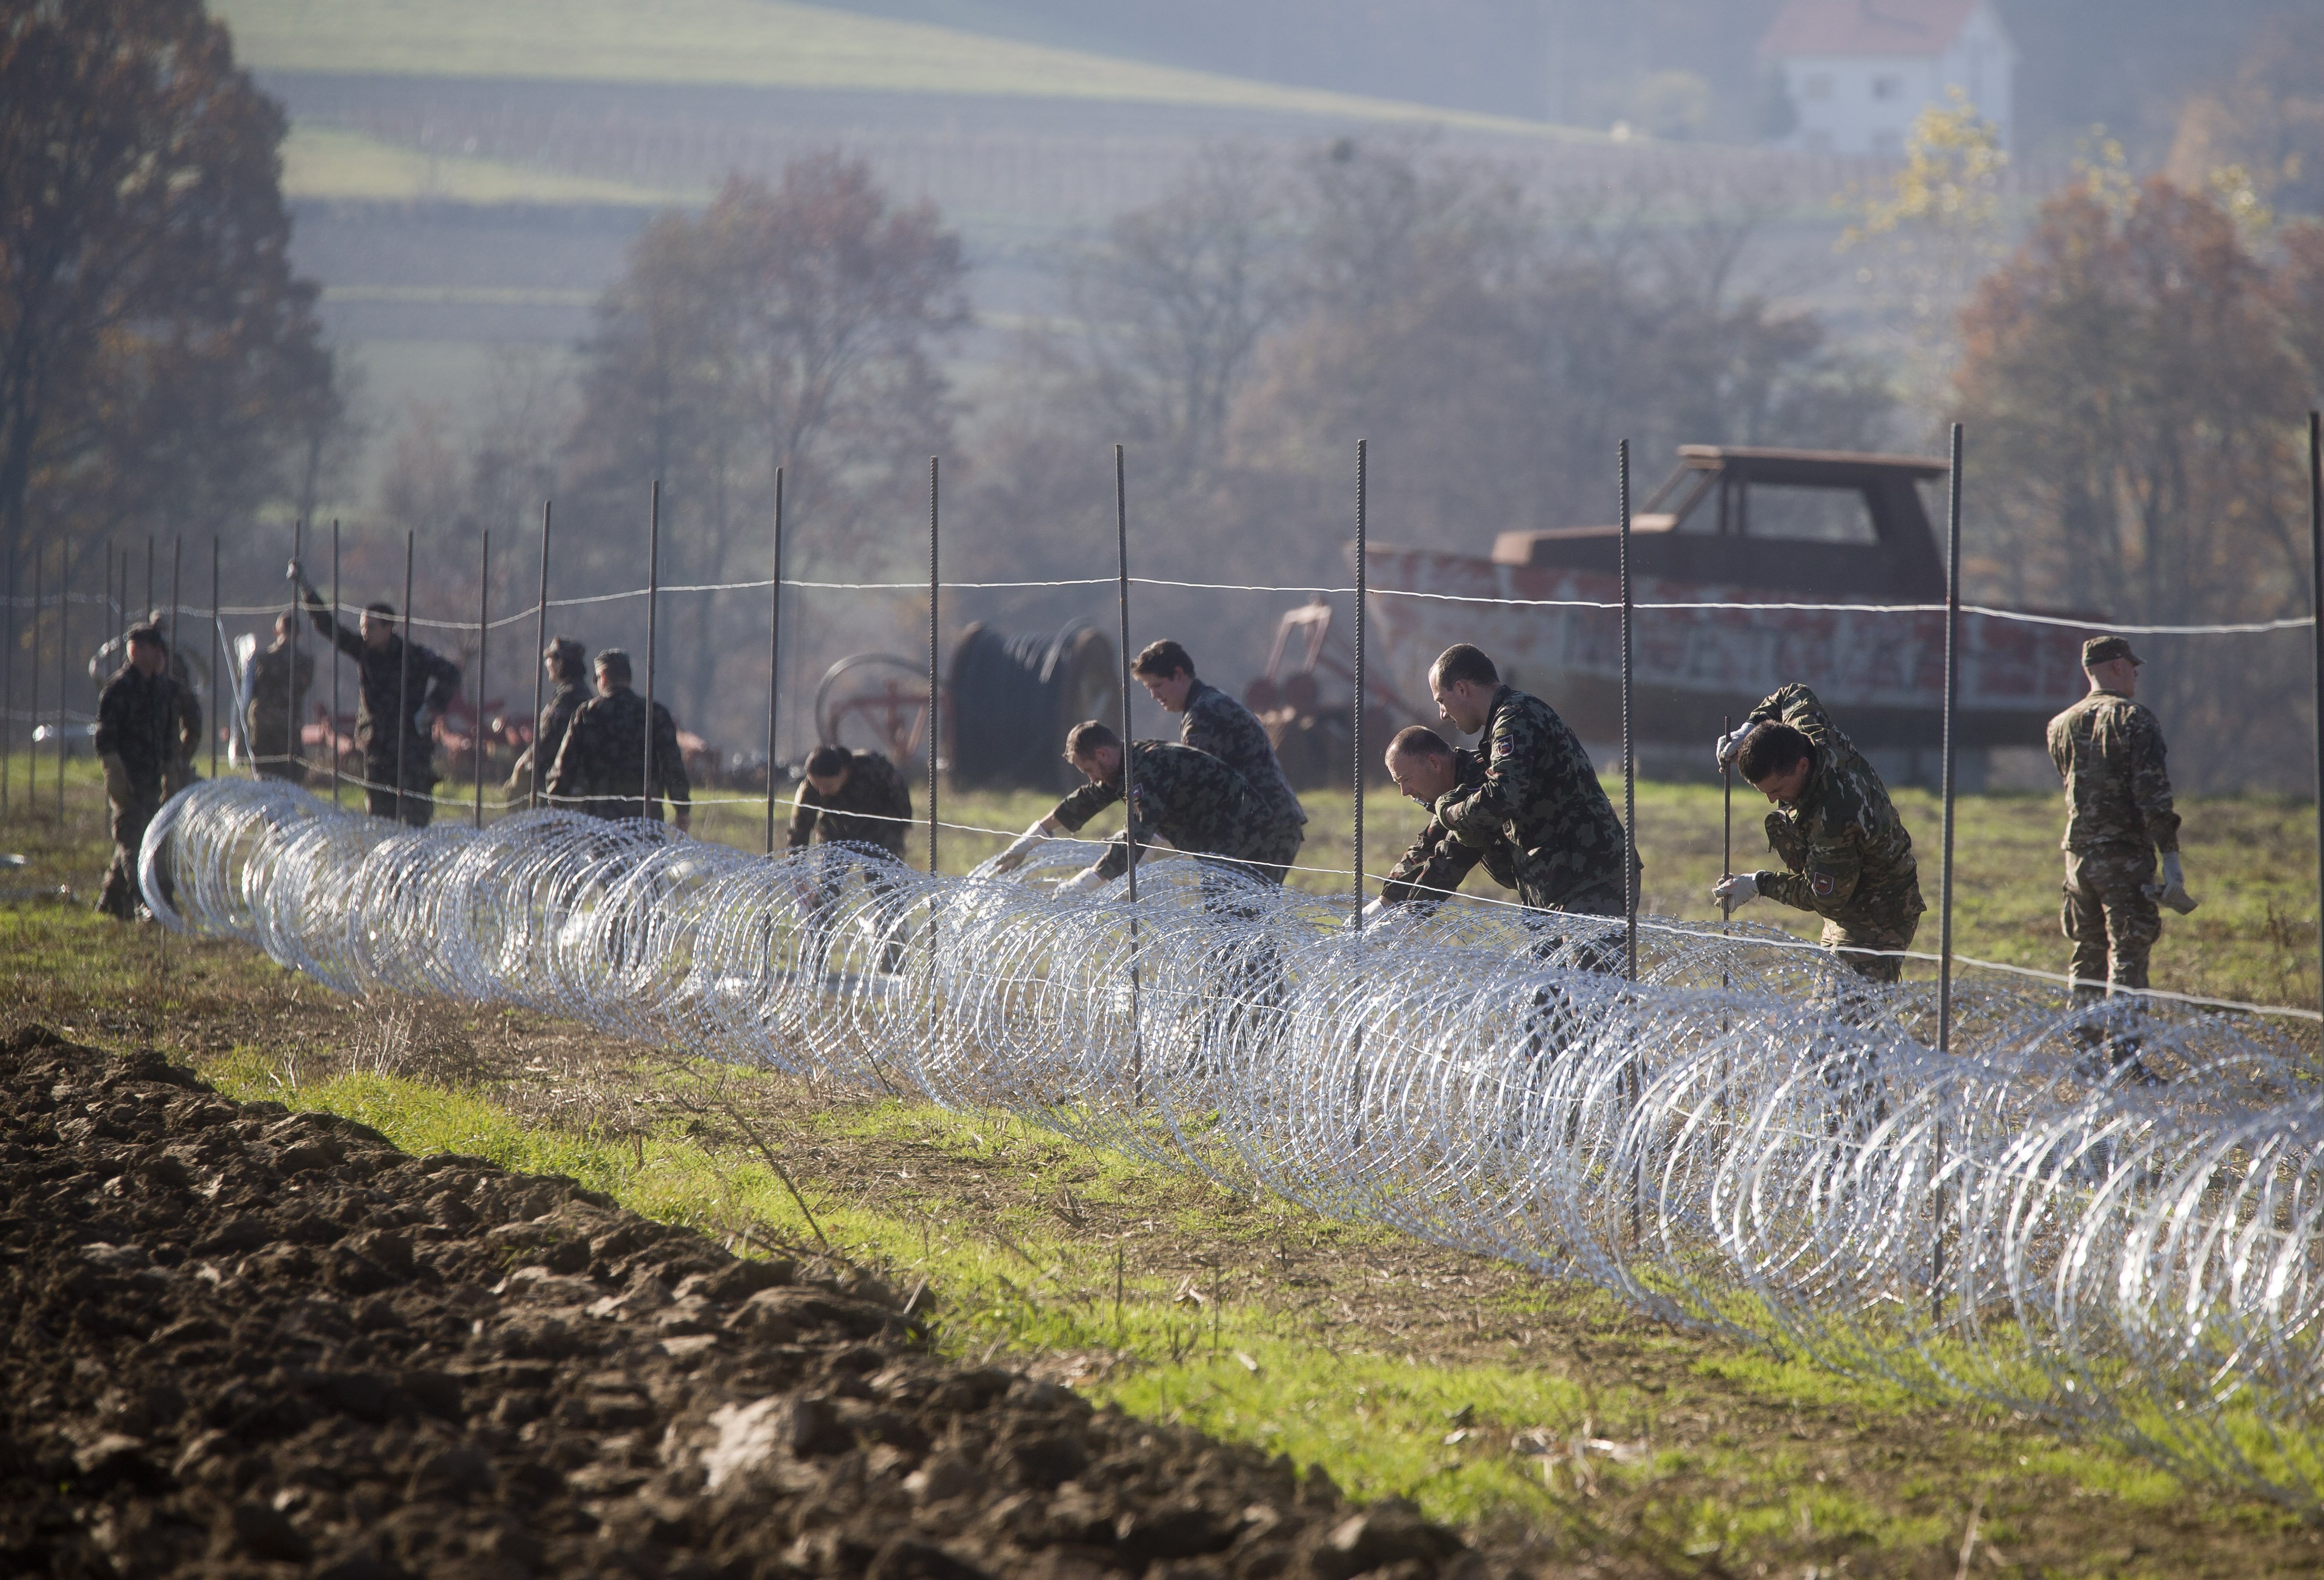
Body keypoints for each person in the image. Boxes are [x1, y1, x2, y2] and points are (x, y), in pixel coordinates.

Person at [1712, 684, 1923, 983]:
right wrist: (1750, 728)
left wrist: (1759, 884)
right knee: (1829, 1001)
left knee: (1848, 1006)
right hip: (1846, 895)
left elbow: (1824, 898)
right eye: (1765, 792)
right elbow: (1792, 694)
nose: (1772, 801)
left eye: (1778, 790)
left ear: (1802, 766)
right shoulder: (1808, 735)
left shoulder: (1834, 817)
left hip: (1877, 912)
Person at [1426, 645, 1630, 918]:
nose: (1442, 713)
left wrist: (1449, 813)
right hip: (1559, 880)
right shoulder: (1507, 720)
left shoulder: (1515, 718)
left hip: (1588, 880)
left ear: (1462, 689)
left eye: (1441, 700)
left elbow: (1503, 796)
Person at [2045, 635, 2193, 1001]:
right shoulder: (2135, 719)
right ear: (2117, 666)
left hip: (2078, 858)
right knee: (2128, 952)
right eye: (2131, 667)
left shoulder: (2060, 725)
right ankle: (2124, 1035)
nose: (2135, 676)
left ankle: (2084, 1032)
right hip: (2124, 856)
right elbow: (2152, 794)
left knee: (2087, 953)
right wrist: (2170, 857)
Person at [990, 720, 1270, 890]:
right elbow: (1082, 802)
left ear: (1102, 754)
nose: (1092, 778)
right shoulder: (1123, 766)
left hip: (1249, 834)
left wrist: (1087, 882)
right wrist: (1027, 842)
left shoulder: (1145, 767)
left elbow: (1138, 833)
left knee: (1236, 920)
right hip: (1225, 836)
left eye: (1089, 770)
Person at [292, 567, 461, 826]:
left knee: (416, 819)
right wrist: (306, 587)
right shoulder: (365, 652)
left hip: (411, 749)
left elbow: (451, 674)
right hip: (378, 750)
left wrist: (429, 709)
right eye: (362, 627)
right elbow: (328, 627)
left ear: (388, 627)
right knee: (381, 821)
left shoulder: (414, 656)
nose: (365, 633)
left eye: (371, 627)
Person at [1132, 639, 1308, 883]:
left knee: (1231, 906)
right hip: (1261, 825)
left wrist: (1149, 835)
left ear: (1179, 675)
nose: (1154, 696)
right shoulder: (1208, 703)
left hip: (1257, 829)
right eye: (1149, 689)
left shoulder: (1204, 714)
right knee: (1232, 905)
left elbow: (1192, 786)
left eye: (1157, 686)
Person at [94, 624, 200, 920]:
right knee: (133, 840)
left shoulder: (161, 690)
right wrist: (114, 772)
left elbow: (169, 735)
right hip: (128, 778)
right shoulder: (119, 689)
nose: (160, 656)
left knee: (144, 838)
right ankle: (151, 901)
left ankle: (112, 901)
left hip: (153, 779)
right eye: (154, 649)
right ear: (138, 650)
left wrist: (172, 768)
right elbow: (105, 737)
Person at [1365, 725, 1515, 920]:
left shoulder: (1479, 779)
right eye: (1398, 783)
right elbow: (1428, 844)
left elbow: (1454, 854)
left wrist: (1411, 915)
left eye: (1406, 779)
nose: (1404, 791)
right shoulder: (1453, 789)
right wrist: (1384, 903)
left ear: (1434, 763)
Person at [544, 648, 690, 829]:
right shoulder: (654, 714)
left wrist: (556, 804)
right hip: (645, 820)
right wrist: (682, 808)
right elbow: (672, 765)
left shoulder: (588, 714)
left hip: (598, 820)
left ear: (603, 677)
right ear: (628, 678)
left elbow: (564, 766)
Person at [503, 636, 591, 805]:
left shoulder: (569, 698)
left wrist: (522, 766)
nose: (547, 664)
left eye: (550, 659)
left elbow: (548, 741)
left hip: (558, 783)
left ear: (560, 663)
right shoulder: (578, 693)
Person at [787, 743, 913, 858]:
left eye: (828, 787)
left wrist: (903, 826)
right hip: (836, 829)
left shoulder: (873, 769)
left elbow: (900, 795)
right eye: (817, 787)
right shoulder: (810, 787)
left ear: (843, 772)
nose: (822, 792)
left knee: (882, 872)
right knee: (828, 871)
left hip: (878, 827)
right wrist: (795, 861)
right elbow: (799, 827)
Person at [243, 612, 313, 783]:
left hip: (263, 727)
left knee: (264, 778)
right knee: (290, 780)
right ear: (299, 633)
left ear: (276, 631)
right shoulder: (305, 662)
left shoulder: (261, 659)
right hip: (289, 727)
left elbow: (248, 690)